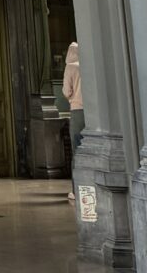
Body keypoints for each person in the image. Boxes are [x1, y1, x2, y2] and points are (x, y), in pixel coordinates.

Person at [62, 39, 84, 201]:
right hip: (92, 111)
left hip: (77, 110)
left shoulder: (70, 67)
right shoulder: (86, 66)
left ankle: (77, 190)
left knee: (77, 150)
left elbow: (66, 91)